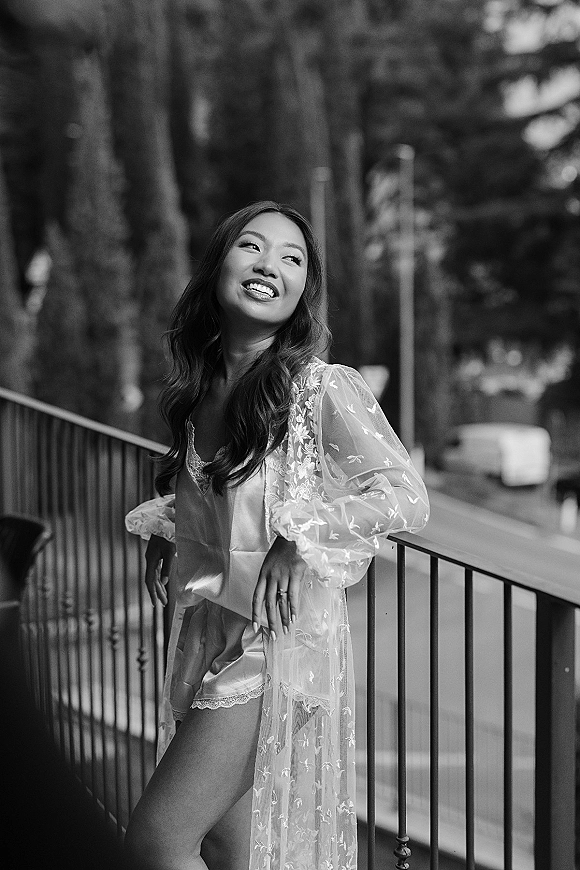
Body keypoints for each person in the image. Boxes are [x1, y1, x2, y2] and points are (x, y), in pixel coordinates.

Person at [124, 201, 429, 870]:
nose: (270, 266)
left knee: (158, 838)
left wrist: (301, 539)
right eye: (252, 248)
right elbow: (224, 495)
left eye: (291, 259)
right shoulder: (201, 388)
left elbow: (405, 496)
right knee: (230, 846)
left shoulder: (319, 389)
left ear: (302, 294)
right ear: (218, 270)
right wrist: (173, 526)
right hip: (208, 635)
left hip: (275, 651)